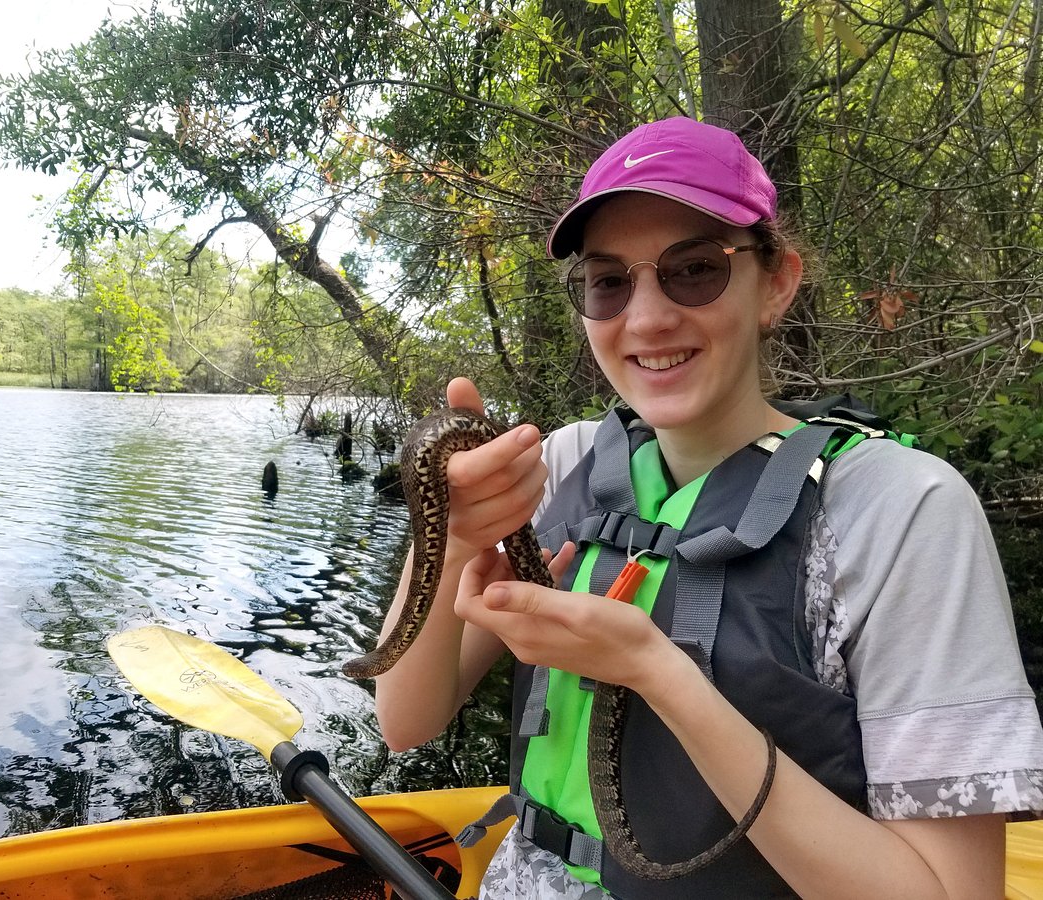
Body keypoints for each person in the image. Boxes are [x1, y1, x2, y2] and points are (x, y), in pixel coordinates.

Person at [372, 116, 1043, 898]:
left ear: (778, 282)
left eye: (695, 270)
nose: (648, 317)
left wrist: (660, 674)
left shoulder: (901, 512)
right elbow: (405, 723)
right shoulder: (557, 466)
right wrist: (449, 541)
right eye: (609, 280)